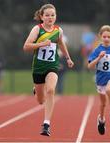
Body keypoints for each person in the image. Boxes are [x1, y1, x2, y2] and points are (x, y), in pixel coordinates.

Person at [23, 4, 74, 136]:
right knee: (40, 101)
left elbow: (61, 43)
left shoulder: (58, 30)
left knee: (51, 90)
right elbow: (26, 47)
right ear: (41, 16)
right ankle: (36, 90)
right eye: (47, 15)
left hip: (52, 66)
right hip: (38, 68)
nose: (50, 17)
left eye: (53, 15)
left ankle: (46, 124)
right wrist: (41, 44)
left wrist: (68, 58)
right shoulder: (37, 29)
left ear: (55, 16)